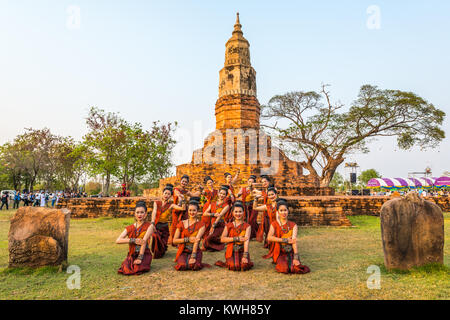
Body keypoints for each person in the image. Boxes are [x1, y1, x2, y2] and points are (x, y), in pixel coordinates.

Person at [141, 184, 185, 259]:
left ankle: (160, 251)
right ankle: (153, 251)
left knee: (162, 245)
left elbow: (182, 209)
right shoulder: (156, 203)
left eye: (168, 194)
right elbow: (154, 212)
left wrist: (182, 199)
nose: (166, 195)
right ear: (162, 193)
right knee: (155, 237)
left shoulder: (171, 205)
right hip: (156, 225)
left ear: (170, 196)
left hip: (164, 227)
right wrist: (152, 223)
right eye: (165, 193)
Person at [267, 199, 310, 274]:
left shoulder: (293, 225)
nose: (283, 213)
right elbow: (269, 237)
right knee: (284, 269)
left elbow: (294, 241)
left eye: (285, 210)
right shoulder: (274, 224)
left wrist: (296, 257)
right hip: (279, 251)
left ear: (288, 211)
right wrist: (285, 240)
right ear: (278, 212)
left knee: (296, 269)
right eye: (281, 210)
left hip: (290, 251)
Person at [215, 201, 253, 271]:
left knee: (243, 266)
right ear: (232, 213)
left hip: (242, 250)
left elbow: (246, 241)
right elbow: (222, 239)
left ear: (243, 212)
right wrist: (236, 239)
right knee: (233, 266)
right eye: (236, 212)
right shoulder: (229, 225)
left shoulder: (247, 226)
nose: (238, 214)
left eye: (240, 212)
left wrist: (245, 255)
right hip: (231, 250)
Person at [117, 201, 153, 275]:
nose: (139, 214)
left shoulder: (149, 226)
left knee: (137, 268)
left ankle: (142, 261)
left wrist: (140, 258)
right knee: (126, 269)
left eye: (142, 212)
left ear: (145, 214)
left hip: (144, 254)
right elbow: (118, 240)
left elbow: (144, 242)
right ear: (135, 214)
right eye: (137, 212)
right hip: (132, 253)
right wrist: (133, 240)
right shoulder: (130, 227)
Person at [173, 200, 209, 271]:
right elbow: (174, 241)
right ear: (187, 211)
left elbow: (197, 241)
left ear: (197, 211)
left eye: (194, 210)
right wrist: (188, 239)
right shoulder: (182, 223)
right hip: (183, 250)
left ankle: (192, 258)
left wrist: (193, 256)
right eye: (190, 210)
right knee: (182, 266)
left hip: (195, 250)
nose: (192, 212)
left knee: (193, 265)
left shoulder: (201, 225)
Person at [169, 175, 200, 245]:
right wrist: (181, 197)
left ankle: (182, 239)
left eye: (186, 182)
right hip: (177, 209)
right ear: (180, 181)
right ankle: (174, 240)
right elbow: (178, 195)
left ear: (187, 183)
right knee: (175, 224)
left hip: (184, 210)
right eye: (183, 181)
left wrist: (199, 190)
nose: (184, 183)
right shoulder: (176, 190)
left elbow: (194, 195)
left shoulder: (186, 191)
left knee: (184, 224)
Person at [202, 186, 231, 251]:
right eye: (220, 193)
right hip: (212, 223)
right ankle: (212, 247)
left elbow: (220, 215)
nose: (222, 195)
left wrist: (213, 226)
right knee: (207, 239)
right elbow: (204, 213)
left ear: (226, 196)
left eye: (224, 194)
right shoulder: (213, 203)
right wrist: (213, 214)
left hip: (220, 225)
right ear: (218, 193)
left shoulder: (226, 205)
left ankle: (219, 245)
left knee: (209, 238)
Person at [253, 187, 279, 259]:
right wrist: (256, 199)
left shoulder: (280, 204)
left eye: (272, 194)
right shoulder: (268, 206)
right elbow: (255, 208)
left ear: (276, 194)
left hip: (280, 227)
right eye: (269, 195)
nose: (271, 196)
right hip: (272, 228)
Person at [236, 175, 258, 239]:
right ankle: (246, 233)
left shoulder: (255, 189)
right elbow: (238, 195)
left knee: (252, 220)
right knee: (245, 219)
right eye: (249, 181)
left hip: (252, 206)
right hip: (245, 206)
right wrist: (238, 194)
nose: (250, 183)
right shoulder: (243, 188)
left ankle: (252, 234)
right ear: (247, 182)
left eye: (252, 182)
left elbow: (255, 195)